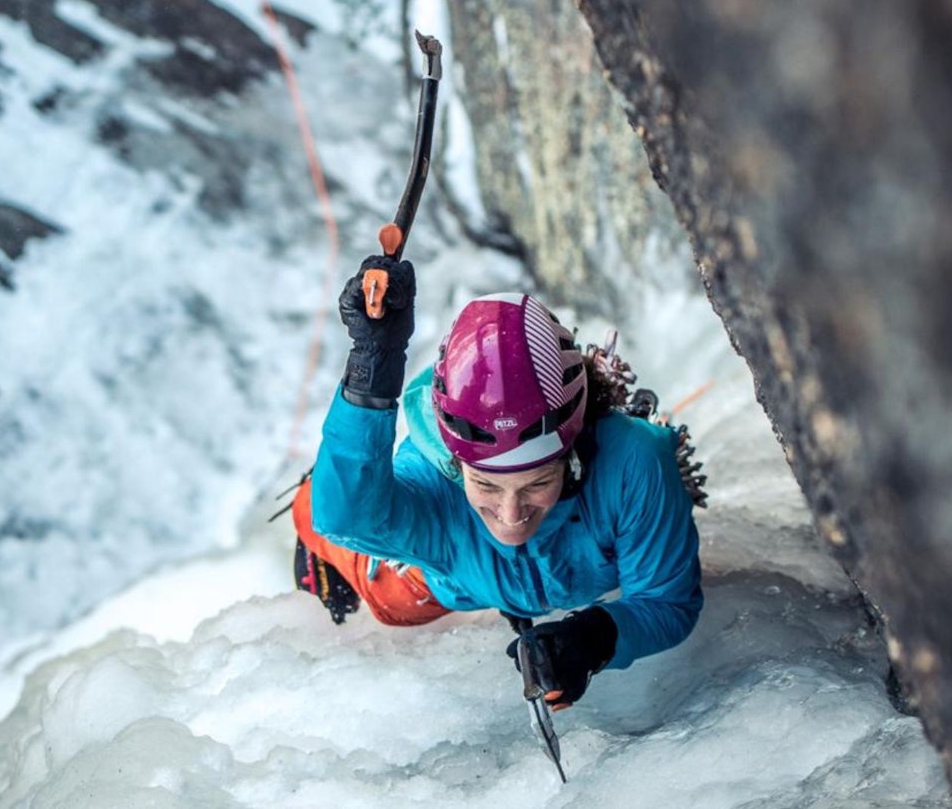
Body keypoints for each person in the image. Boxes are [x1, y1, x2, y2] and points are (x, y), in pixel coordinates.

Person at [290, 254, 704, 710]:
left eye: (536, 482)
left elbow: (667, 599)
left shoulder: (633, 465)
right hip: (456, 577)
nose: (511, 517)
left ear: (572, 455)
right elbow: (342, 516)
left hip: (486, 564)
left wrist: (597, 636)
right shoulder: (434, 483)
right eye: (486, 485)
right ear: (453, 463)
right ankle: (332, 476)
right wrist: (374, 366)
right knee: (377, 586)